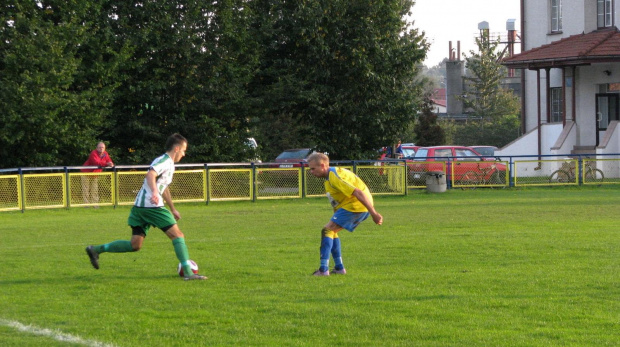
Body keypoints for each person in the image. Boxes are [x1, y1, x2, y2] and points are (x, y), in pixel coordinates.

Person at [86, 133, 207, 281]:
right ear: (176, 148)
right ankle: (188, 273)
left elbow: (164, 187)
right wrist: (155, 193)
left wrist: (172, 208)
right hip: (151, 206)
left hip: (141, 207)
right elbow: (150, 175)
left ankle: (96, 249)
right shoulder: (164, 160)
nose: (184, 153)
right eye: (183, 150)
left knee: (135, 244)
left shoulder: (169, 164)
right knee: (178, 235)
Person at [306, 153, 383, 276]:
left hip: (356, 205)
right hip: (354, 206)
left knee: (327, 230)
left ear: (322, 165)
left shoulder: (334, 176)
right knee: (331, 231)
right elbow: (336, 202)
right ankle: (339, 268)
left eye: (313, 168)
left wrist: (374, 213)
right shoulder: (328, 180)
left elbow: (357, 192)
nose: (311, 171)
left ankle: (323, 270)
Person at [81, 142, 114, 206]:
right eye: (100, 147)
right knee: (86, 189)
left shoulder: (105, 154)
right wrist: (107, 164)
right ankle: (86, 205)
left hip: (95, 174)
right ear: (97, 148)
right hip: (86, 173)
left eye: (103, 147)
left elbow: (109, 161)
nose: (101, 149)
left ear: (105, 148)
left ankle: (95, 204)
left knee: (95, 189)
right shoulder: (93, 153)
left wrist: (111, 163)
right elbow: (96, 162)